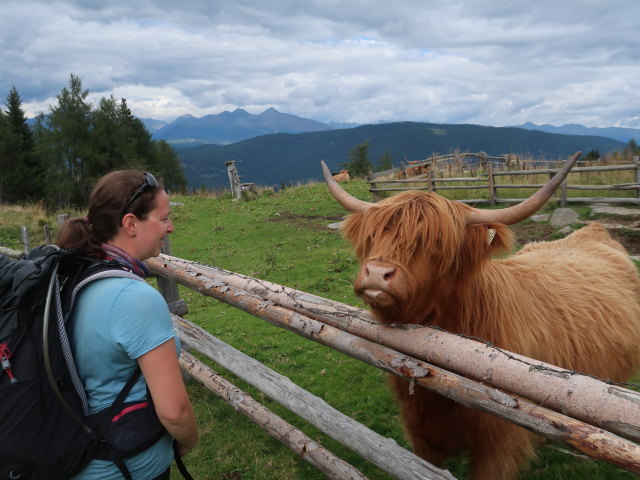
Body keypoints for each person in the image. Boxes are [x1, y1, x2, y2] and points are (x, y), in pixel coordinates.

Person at [57, 170, 198, 480]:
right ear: (131, 224)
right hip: (128, 466)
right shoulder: (133, 297)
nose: (170, 227)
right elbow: (174, 411)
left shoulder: (80, 276)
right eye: (163, 219)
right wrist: (189, 439)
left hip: (83, 458)